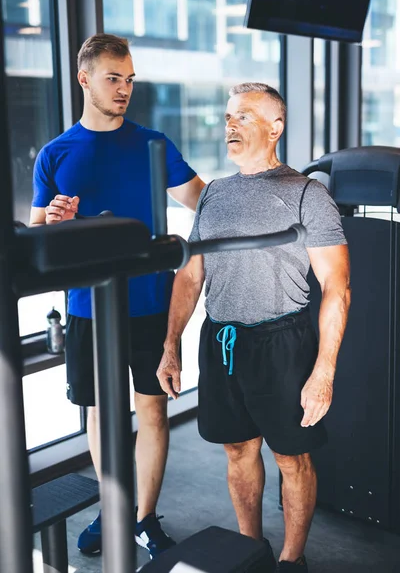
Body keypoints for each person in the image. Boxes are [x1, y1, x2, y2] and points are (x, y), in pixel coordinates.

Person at [156, 82, 351, 572]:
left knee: (291, 458)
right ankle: (249, 550)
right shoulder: (215, 195)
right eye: (227, 117)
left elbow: (337, 287)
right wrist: (171, 344)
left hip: (281, 343)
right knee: (238, 449)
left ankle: (291, 560)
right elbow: (191, 275)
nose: (230, 125)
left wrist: (323, 371)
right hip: (221, 341)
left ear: (275, 127)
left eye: (243, 115)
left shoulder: (307, 194)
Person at [29, 33, 205, 559]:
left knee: (151, 411)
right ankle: (114, 506)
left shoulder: (153, 144)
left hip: (150, 304)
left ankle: (143, 518)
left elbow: (205, 201)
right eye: (113, 78)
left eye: (129, 79)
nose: (124, 89)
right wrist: (55, 223)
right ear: (85, 79)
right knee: (100, 414)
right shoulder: (56, 153)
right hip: (87, 308)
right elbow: (37, 235)